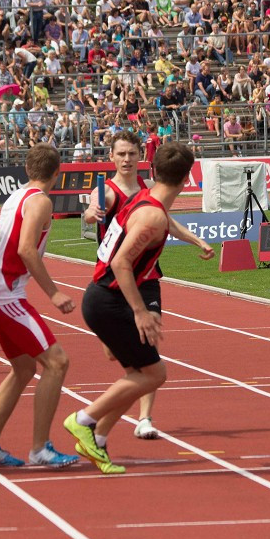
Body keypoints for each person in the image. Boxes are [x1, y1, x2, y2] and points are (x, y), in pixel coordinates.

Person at [65, 143, 197, 474]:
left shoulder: (145, 199)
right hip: (107, 299)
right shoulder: (151, 214)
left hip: (103, 297)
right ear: (186, 179)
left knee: (140, 374)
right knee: (155, 373)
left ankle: (100, 440)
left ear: (151, 171)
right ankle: (84, 419)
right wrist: (139, 310)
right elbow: (121, 262)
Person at [81, 131, 214, 439]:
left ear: (145, 161)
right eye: (121, 154)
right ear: (112, 156)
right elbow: (109, 242)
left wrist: (196, 239)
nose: (126, 159)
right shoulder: (111, 192)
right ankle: (86, 421)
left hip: (143, 278)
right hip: (114, 284)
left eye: (132, 154)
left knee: (147, 362)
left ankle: (129, 424)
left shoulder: (146, 194)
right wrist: (91, 214)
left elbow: (164, 219)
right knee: (144, 368)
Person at [0, 144, 78, 468]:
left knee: (23, 369)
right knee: (57, 362)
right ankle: (40, 449)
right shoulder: (41, 201)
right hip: (5, 293)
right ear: (57, 172)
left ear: (27, 170)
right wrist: (54, 293)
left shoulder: (16, 195)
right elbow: (26, 250)